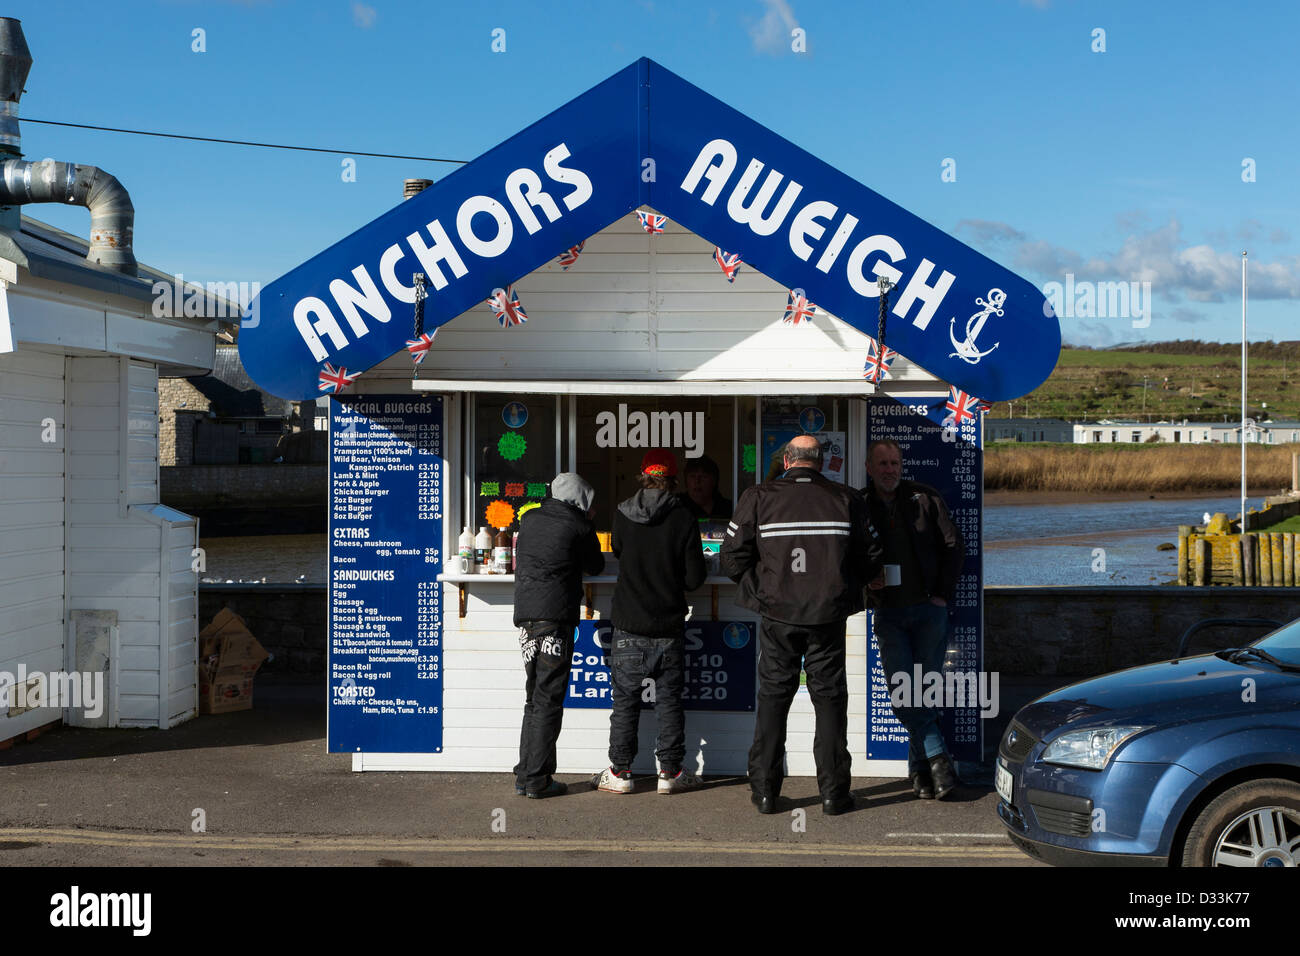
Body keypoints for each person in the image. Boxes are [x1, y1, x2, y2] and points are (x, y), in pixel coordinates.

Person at [720, 435, 883, 815]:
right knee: (829, 702)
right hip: (827, 617)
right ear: (821, 462)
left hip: (778, 616)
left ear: (789, 460)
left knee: (774, 701)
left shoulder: (759, 496)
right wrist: (844, 589)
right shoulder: (846, 498)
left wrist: (761, 591)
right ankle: (833, 794)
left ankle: (764, 791)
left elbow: (731, 558)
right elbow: (872, 558)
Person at [593, 450, 708, 794]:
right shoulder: (684, 516)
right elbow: (693, 579)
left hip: (629, 621)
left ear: (643, 476)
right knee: (669, 701)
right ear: (673, 479)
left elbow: (617, 551)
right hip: (667, 624)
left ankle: (621, 772)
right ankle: (670, 773)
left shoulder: (623, 513)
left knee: (625, 701)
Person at [861, 438, 965, 800]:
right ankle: (938, 760)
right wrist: (865, 579)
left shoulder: (924, 497)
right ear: (869, 468)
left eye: (894, 463)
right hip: (888, 613)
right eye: (883, 464)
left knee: (921, 690)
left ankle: (919, 772)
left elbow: (954, 545)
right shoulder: (858, 504)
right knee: (902, 692)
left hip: (928, 613)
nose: (890, 469)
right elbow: (846, 554)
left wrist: (941, 595)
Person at [512, 472, 605, 798]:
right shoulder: (578, 525)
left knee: (534, 697)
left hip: (526, 618)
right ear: (580, 500)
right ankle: (538, 779)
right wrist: (589, 523)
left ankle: (525, 774)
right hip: (555, 619)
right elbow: (596, 566)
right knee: (549, 698)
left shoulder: (530, 518)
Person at [677, 454, 733, 520]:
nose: (697, 481)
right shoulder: (676, 507)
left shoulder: (729, 508)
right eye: (692, 476)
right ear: (686, 480)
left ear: (714, 480)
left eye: (704, 476)